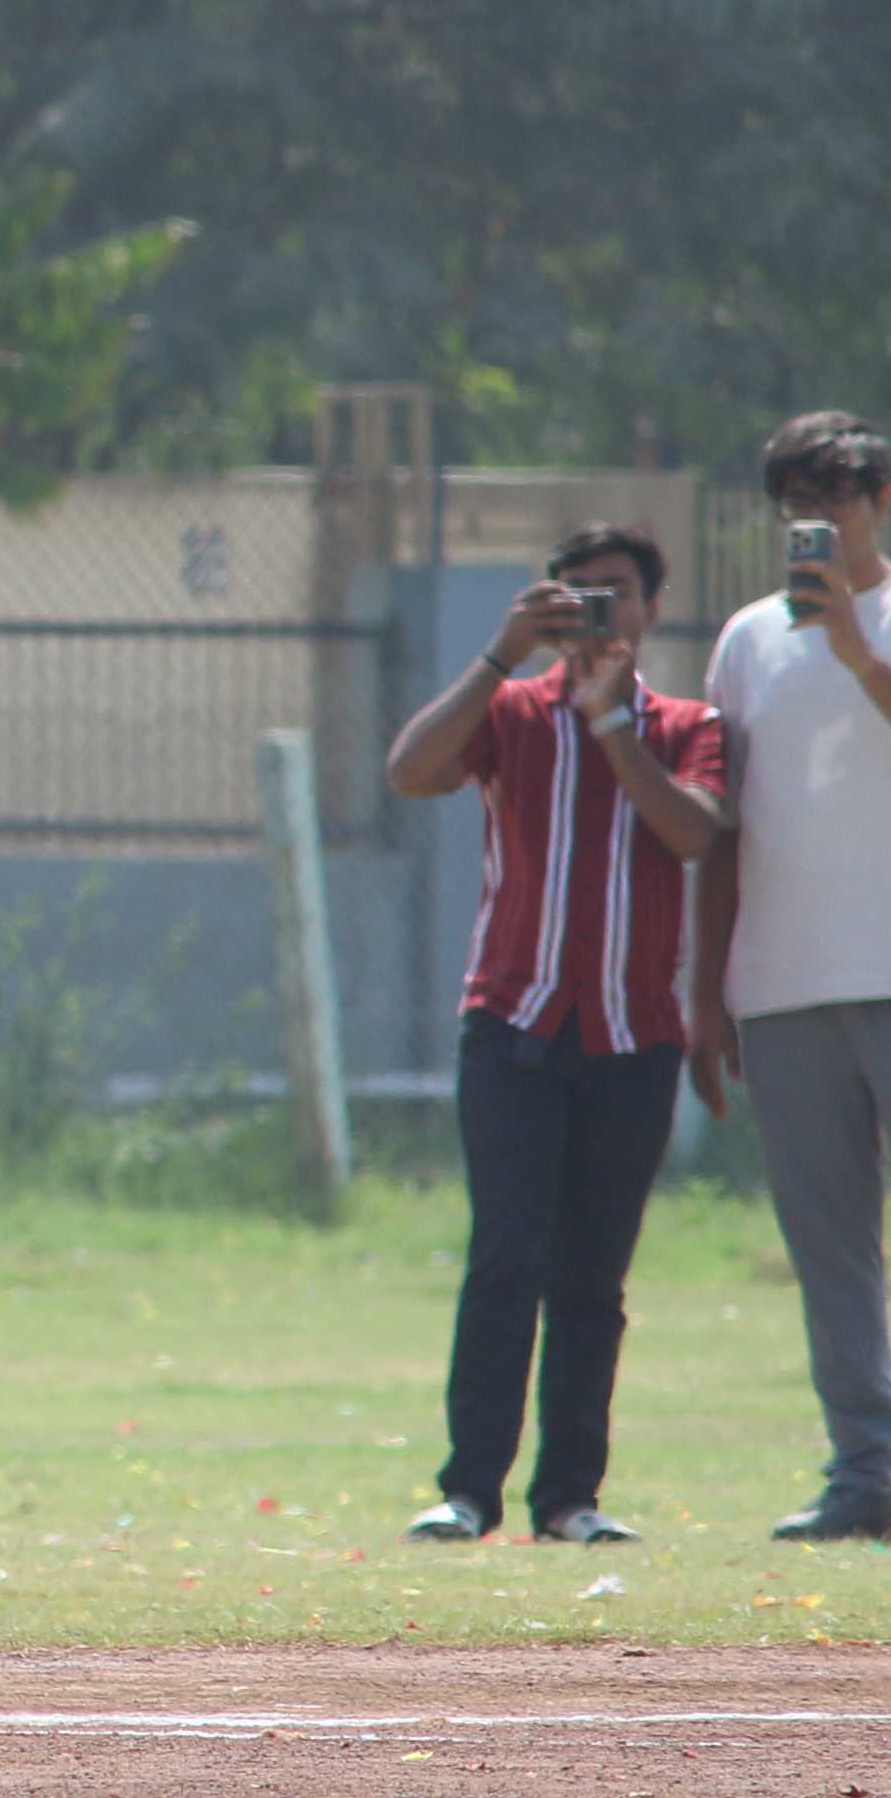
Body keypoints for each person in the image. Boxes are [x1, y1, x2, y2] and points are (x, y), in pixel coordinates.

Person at [378, 521, 725, 1546]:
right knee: (506, 1258)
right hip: (515, 1026)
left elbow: (692, 831)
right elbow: (410, 771)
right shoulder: (512, 711)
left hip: (632, 1035)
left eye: (614, 593)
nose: (596, 612)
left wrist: (612, 721)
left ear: (652, 606)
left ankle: (570, 1497)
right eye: (575, 595)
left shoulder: (687, 724)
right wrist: (501, 653)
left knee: (592, 1278)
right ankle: (468, 1492)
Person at [696, 412, 891, 1545]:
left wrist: (859, 654)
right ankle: (867, 1473)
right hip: (784, 981)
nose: (814, 524)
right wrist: (704, 985)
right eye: (796, 507)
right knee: (829, 1248)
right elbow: (726, 822)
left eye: (835, 500)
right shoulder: (747, 639)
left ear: (881, 502)